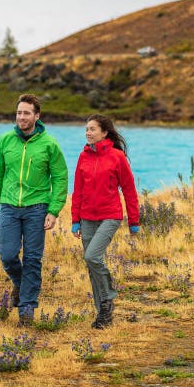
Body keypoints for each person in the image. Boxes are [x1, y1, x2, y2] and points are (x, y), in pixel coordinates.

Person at [0, 93, 69, 325]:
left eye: (26, 113)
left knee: (33, 258)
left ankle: (26, 310)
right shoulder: (4, 141)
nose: (21, 117)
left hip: (37, 208)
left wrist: (53, 210)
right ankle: (21, 284)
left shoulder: (49, 144)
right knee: (8, 255)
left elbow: (60, 178)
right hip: (9, 207)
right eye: (19, 113)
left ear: (37, 116)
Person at [71, 114, 140, 329]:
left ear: (104, 132)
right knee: (91, 265)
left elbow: (129, 189)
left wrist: (133, 221)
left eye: (92, 129)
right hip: (87, 217)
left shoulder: (117, 157)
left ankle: (108, 297)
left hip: (110, 215)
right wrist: (75, 219)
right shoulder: (83, 157)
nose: (88, 133)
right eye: (86, 129)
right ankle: (103, 314)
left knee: (92, 256)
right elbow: (78, 190)